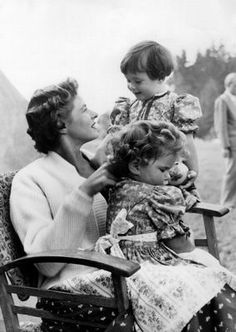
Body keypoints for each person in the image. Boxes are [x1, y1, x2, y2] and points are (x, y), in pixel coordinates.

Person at [96, 120, 236, 332]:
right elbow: (181, 246)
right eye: (163, 169)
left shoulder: (118, 187)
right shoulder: (159, 195)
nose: (169, 176)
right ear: (135, 165)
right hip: (146, 264)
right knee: (209, 275)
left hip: (116, 260)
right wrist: (190, 247)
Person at [9, 78, 118, 331]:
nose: (92, 114)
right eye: (84, 109)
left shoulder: (96, 165)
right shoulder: (30, 180)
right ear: (61, 123)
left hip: (119, 274)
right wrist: (85, 192)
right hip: (72, 294)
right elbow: (47, 263)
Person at [110, 40, 202, 190]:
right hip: (135, 174)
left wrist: (193, 170)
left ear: (160, 77)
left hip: (164, 175)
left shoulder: (175, 104)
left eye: (138, 81)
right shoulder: (129, 107)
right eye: (128, 80)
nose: (131, 86)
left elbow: (187, 141)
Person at [214, 72, 236, 208]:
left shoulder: (234, 99)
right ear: (229, 84)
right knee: (231, 174)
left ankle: (233, 202)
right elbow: (220, 125)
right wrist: (225, 147)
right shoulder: (222, 100)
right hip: (231, 144)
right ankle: (226, 202)